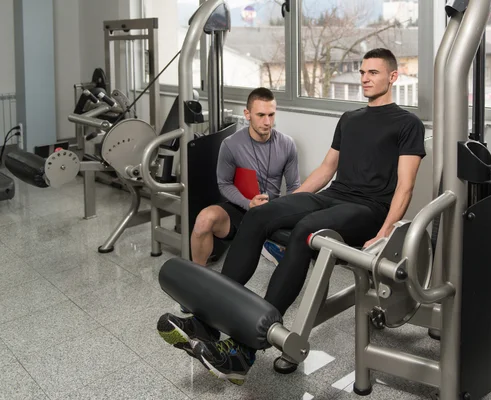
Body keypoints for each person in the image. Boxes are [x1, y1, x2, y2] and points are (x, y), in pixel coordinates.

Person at [157, 48, 426, 385]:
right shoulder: (350, 119)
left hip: (369, 209)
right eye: (362, 72)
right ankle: (207, 321)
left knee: (306, 230)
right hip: (333, 196)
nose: (365, 79)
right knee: (261, 216)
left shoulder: (407, 124)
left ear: (393, 77)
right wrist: (286, 205)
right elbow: (327, 169)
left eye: (373, 72)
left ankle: (243, 351)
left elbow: (405, 186)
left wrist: (384, 232)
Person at [189, 87, 300, 265]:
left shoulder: (287, 144)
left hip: (273, 211)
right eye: (261, 115)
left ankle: (270, 243)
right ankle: (196, 273)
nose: (267, 121)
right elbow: (224, 183)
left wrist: (290, 217)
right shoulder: (230, 144)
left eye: (271, 115)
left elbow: (295, 187)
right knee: (204, 220)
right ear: (247, 114)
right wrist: (248, 203)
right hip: (241, 208)